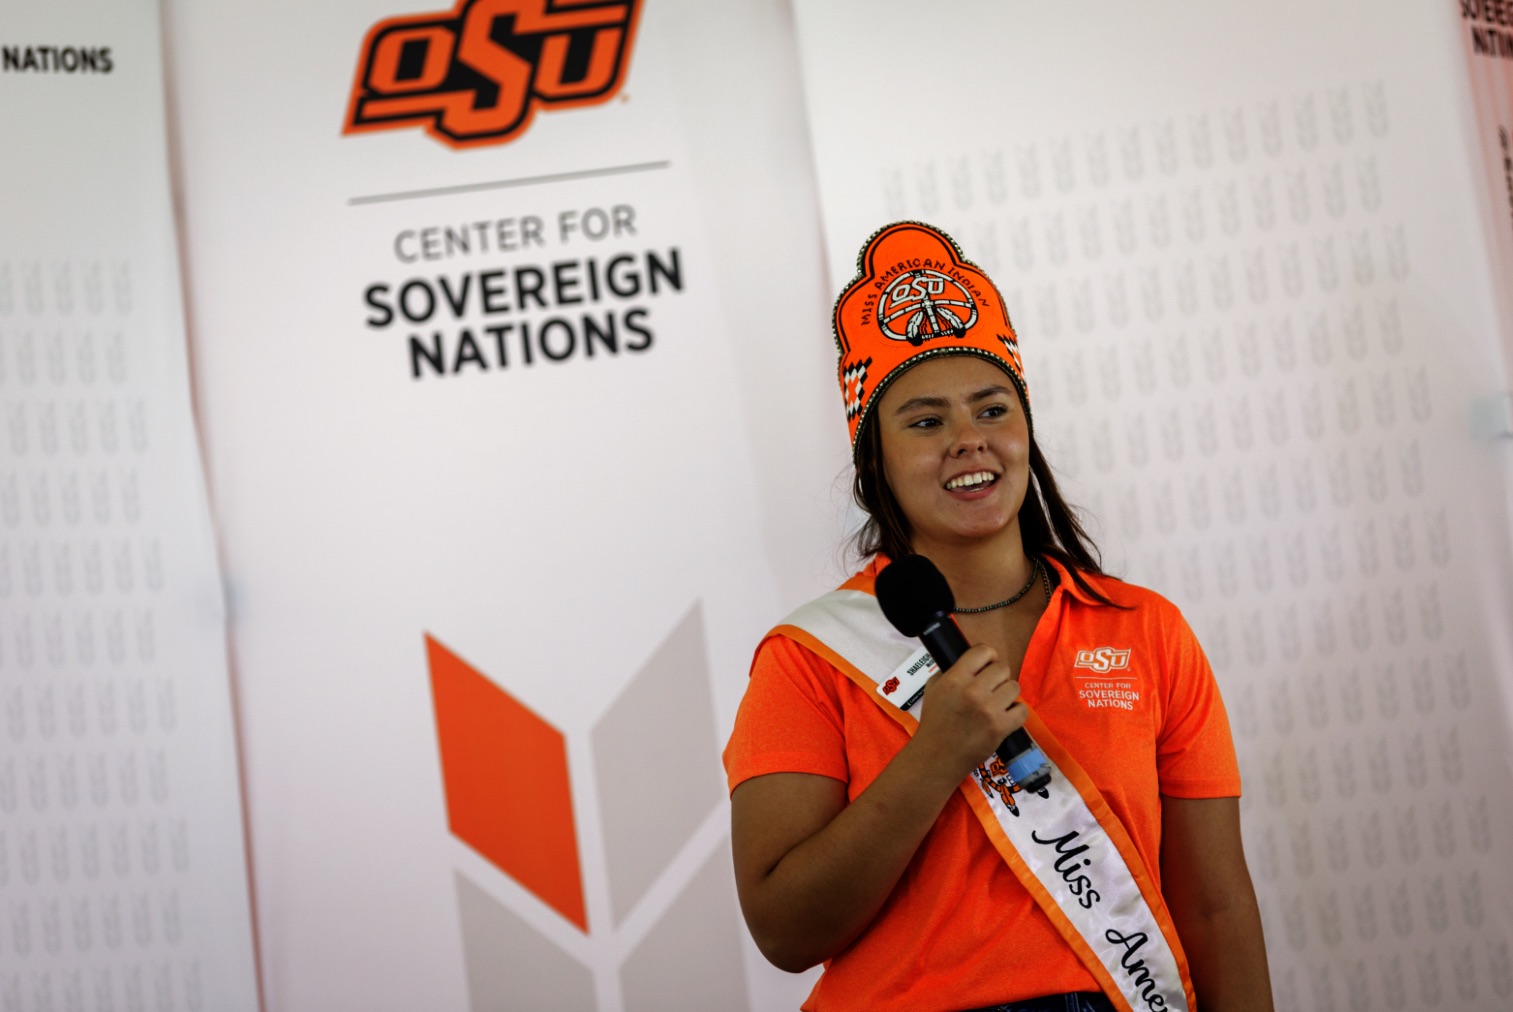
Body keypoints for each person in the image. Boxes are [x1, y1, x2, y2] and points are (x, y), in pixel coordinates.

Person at [723, 222, 1273, 1012]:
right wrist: (934, 755)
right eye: (923, 421)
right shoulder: (808, 658)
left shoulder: (1142, 628)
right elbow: (784, 932)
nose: (966, 441)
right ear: (872, 458)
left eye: (991, 409)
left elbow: (1217, 908)